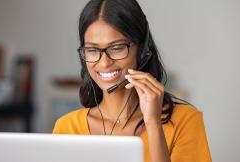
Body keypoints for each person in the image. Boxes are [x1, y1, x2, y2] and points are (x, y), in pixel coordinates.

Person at [53, 0, 212, 162]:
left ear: (142, 50)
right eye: (92, 50)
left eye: (117, 48)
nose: (104, 62)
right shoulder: (66, 127)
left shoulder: (185, 121)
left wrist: (153, 125)